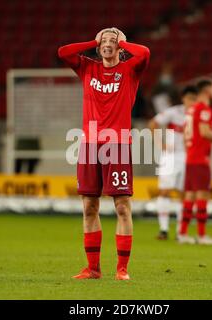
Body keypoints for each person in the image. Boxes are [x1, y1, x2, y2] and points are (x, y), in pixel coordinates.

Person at [58, 28, 150, 280]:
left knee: (122, 206)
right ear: (98, 47)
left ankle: (122, 269)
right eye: (104, 41)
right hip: (89, 145)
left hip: (117, 144)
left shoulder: (130, 70)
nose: (108, 44)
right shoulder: (88, 68)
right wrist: (93, 39)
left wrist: (122, 40)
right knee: (89, 206)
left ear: (121, 47)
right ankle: (93, 269)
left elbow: (145, 53)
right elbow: (63, 52)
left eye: (113, 41)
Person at [178, 79, 212, 245]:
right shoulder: (204, 109)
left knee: (189, 196)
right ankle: (202, 235)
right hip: (200, 158)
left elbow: (186, 135)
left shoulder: (191, 109)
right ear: (208, 90)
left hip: (191, 158)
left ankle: (183, 233)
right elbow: (204, 132)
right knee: (202, 195)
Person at [148, 85, 198, 240]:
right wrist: (160, 144)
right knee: (164, 191)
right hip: (170, 156)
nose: (191, 102)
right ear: (183, 99)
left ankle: (180, 231)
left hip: (187, 157)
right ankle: (163, 229)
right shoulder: (173, 112)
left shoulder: (198, 115)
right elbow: (152, 124)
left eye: (194, 99)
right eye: (189, 98)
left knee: (183, 194)